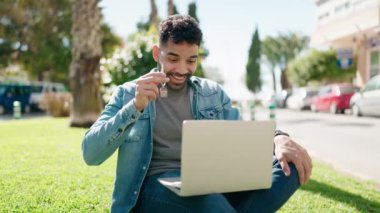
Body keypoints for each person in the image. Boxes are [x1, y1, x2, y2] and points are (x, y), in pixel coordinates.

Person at [82, 14, 312, 213]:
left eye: (191, 60)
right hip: (155, 187)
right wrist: (135, 106)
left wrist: (279, 138)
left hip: (209, 181)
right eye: (173, 59)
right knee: (211, 203)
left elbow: (244, 135)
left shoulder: (212, 93)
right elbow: (90, 154)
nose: (182, 69)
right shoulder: (128, 93)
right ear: (157, 53)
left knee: (288, 167)